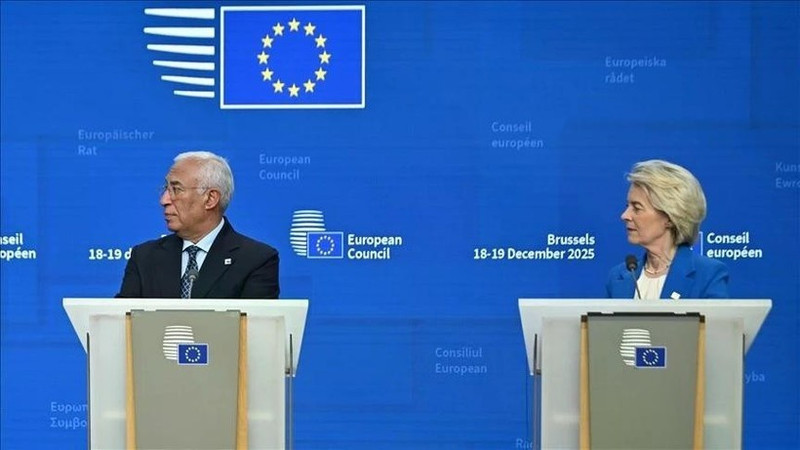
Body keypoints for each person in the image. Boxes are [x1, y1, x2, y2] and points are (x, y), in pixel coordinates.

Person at [117, 151, 279, 299]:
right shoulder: (145, 257)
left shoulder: (256, 260)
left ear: (210, 199)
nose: (164, 200)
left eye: (176, 189)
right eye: (166, 189)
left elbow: (256, 328)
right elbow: (122, 323)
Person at [606, 160, 729, 299]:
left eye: (637, 208)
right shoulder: (619, 277)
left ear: (670, 217)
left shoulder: (707, 275)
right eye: (627, 206)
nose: (625, 216)